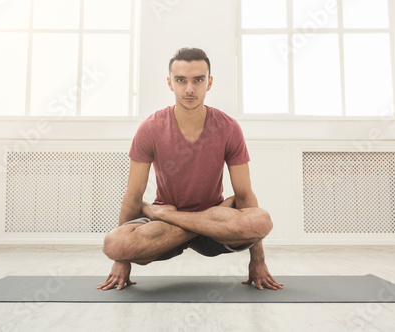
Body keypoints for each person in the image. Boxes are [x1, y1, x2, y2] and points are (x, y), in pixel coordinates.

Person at [97, 47, 283, 291]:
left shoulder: (228, 128)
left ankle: (172, 216)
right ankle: (178, 220)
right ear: (170, 83)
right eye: (181, 80)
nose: (189, 89)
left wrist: (257, 260)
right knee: (115, 245)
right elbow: (133, 196)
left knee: (261, 221)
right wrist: (122, 262)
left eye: (198, 80)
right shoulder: (150, 128)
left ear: (210, 82)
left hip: (213, 229)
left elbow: (245, 196)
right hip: (167, 233)